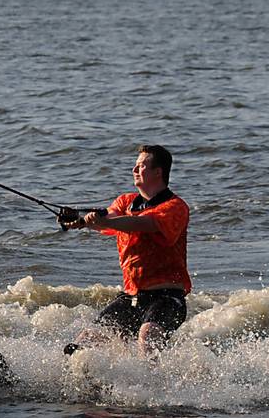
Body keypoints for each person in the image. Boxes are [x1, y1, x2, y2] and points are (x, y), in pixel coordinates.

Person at [58, 144, 191, 355]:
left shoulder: (175, 207)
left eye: (141, 166)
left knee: (148, 334)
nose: (134, 170)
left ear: (158, 172)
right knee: (84, 341)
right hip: (131, 297)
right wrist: (81, 221)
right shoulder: (125, 202)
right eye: (135, 165)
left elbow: (143, 223)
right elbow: (110, 217)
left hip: (167, 298)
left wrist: (104, 221)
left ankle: (153, 377)